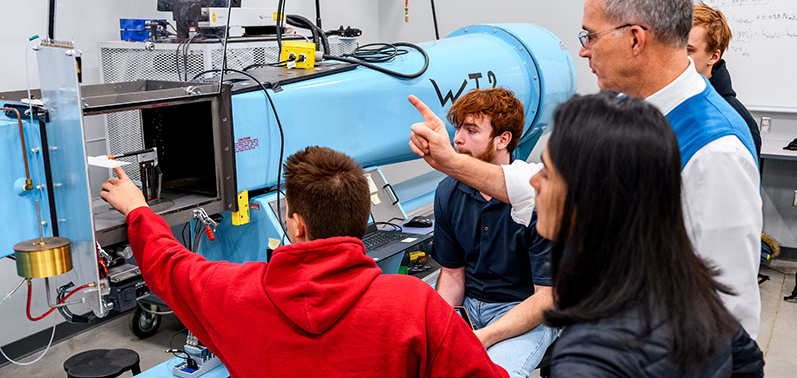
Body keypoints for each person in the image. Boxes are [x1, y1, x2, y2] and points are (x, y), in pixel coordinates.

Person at [408, 0, 763, 340]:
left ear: (635, 39)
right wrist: (450, 163)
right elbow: (551, 189)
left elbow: (730, 316)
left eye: (590, 36)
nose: (583, 51)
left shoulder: (714, 149)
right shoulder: (633, 113)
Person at [100, 146, 508, 378]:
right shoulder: (413, 305)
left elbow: (167, 264)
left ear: (295, 224)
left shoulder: (232, 292)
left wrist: (138, 209)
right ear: (362, 221)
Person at [531, 93, 764, 377]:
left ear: (592, 197)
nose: (534, 181)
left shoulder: (589, 357)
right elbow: (748, 362)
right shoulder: (686, 286)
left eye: (547, 172)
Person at [431, 88, 556, 378]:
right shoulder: (448, 191)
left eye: (471, 130)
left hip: (524, 312)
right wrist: (438, 325)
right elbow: (452, 275)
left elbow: (545, 298)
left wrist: (483, 337)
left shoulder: (536, 195)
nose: (457, 139)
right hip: (469, 307)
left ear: (503, 139)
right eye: (458, 128)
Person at [688, 2, 762, 159]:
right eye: (674, 47)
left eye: (688, 50)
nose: (677, 57)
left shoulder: (735, 120)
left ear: (713, 57)